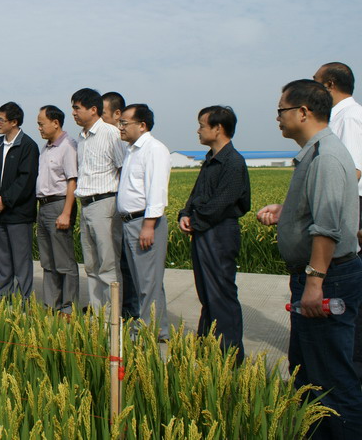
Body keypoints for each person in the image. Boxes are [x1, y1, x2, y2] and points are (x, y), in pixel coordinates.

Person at [256, 80, 362, 437]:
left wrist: (315, 282)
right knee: (309, 375)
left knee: (332, 379)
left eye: (281, 111)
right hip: (320, 276)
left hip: (328, 279)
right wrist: (286, 212)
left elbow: (327, 227)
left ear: (303, 112)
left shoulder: (326, 156)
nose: (278, 118)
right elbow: (316, 210)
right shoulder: (316, 153)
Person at [178, 106, 250, 361]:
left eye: (202, 125)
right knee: (207, 293)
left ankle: (229, 356)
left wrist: (195, 219)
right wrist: (184, 213)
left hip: (219, 232)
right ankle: (207, 348)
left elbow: (222, 202)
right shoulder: (210, 159)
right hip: (203, 230)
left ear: (218, 128)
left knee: (221, 294)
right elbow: (196, 195)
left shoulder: (233, 161)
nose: (198, 130)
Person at [314, 62, 362, 380]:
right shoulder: (342, 116)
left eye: (317, 83)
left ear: (330, 84)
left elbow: (352, 170)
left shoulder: (349, 117)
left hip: (350, 206)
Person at [117, 104, 171, 340]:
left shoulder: (154, 149)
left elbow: (156, 190)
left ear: (142, 125)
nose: (120, 127)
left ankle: (149, 330)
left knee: (148, 281)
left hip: (144, 222)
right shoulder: (132, 150)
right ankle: (157, 328)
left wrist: (148, 226)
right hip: (130, 222)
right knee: (142, 280)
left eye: (124, 123)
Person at [71, 87, 126, 311]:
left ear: (93, 109)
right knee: (91, 265)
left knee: (108, 265)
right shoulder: (81, 138)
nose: (73, 113)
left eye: (77, 108)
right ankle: (97, 313)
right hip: (86, 205)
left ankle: (112, 317)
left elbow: (123, 170)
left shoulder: (111, 134)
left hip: (105, 204)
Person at [0, 102, 39, 300]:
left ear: (14, 122)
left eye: (1, 119)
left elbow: (25, 181)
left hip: (18, 214)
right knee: (2, 259)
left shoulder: (28, 146)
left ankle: (24, 301)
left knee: (21, 260)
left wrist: (5, 200)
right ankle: (4, 297)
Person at [36, 105, 79, 314]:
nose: (39, 128)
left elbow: (72, 181)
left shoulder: (68, 146)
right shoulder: (46, 148)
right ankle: (51, 304)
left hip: (59, 205)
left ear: (55, 123)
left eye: (41, 123)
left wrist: (66, 213)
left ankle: (68, 307)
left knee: (64, 260)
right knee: (48, 260)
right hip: (43, 206)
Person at [102, 90, 139, 319]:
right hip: (118, 209)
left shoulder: (121, 140)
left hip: (128, 211)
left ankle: (130, 308)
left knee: (128, 263)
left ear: (117, 114)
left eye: (103, 113)